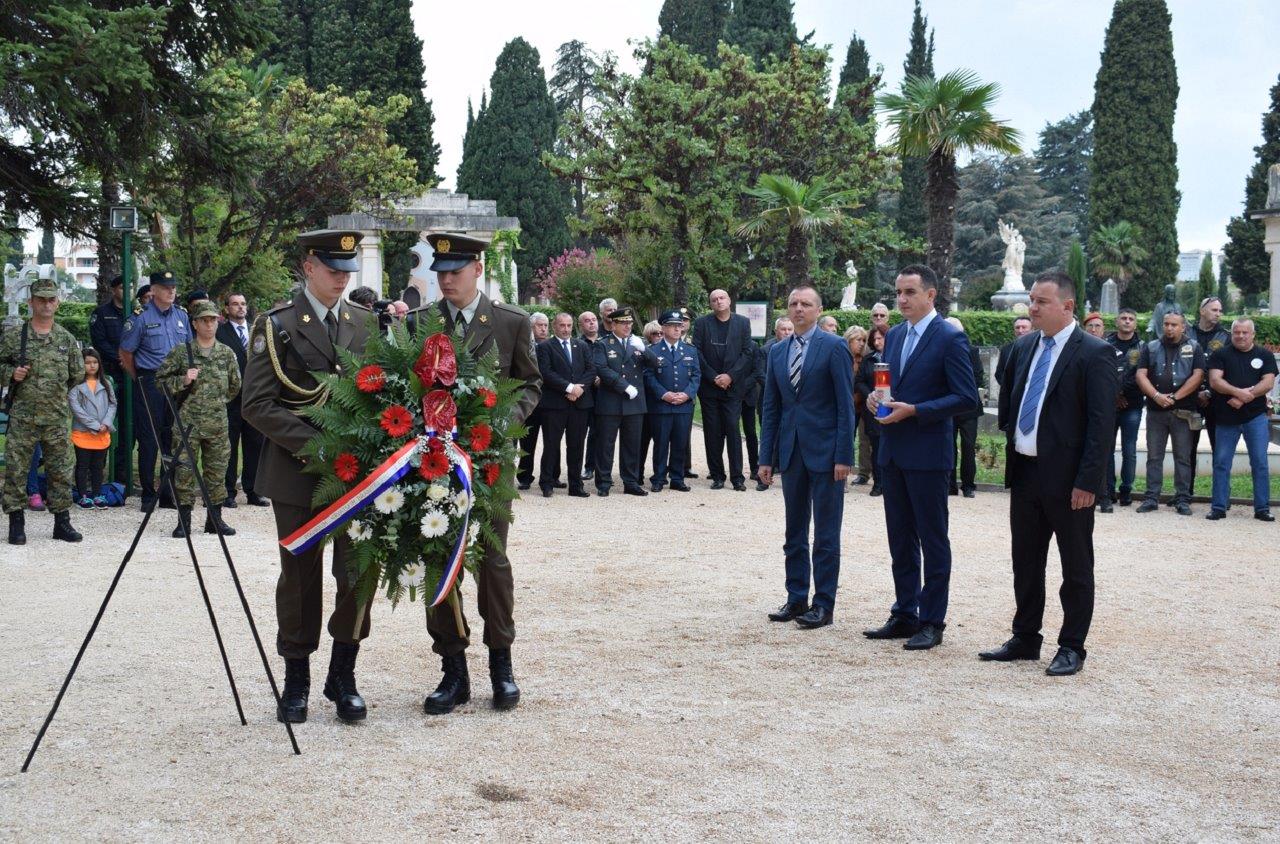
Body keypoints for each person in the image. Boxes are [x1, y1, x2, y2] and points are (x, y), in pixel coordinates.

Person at [242, 230, 376, 724]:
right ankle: (296, 676)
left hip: (357, 476)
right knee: (299, 576)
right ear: (308, 266)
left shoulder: (364, 322)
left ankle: (343, 674)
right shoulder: (275, 325)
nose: (342, 276)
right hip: (299, 472)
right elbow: (256, 404)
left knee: (357, 572)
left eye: (347, 268)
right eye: (333, 266)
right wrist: (318, 446)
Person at [408, 232, 541, 716]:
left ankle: (501, 664)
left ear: (478, 270)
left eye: (455, 272)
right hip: (435, 464)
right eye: (440, 273)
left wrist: (504, 421)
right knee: (440, 558)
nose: (446, 280)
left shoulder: (509, 323)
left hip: (489, 463)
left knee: (493, 561)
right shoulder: (422, 324)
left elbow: (529, 382)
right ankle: (452, 668)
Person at [981, 271, 1117, 677]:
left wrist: (1088, 483)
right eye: (1031, 300)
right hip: (1026, 473)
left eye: (1041, 301)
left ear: (1068, 306)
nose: (1032, 308)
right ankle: (1025, 637)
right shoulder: (1023, 347)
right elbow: (1012, 397)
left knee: (1075, 565)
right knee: (1025, 560)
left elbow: (1101, 425)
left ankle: (1072, 645)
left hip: (1069, 480)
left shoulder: (1094, 353)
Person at [864, 265, 978, 650]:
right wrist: (876, 399)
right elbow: (890, 383)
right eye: (898, 292)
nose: (901, 299)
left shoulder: (949, 337)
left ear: (931, 295)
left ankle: (932, 620)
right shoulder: (893, 335)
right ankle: (904, 612)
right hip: (893, 451)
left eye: (910, 292)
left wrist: (915, 409)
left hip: (929, 454)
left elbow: (967, 398)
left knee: (932, 539)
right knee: (900, 539)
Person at [758, 284, 856, 629]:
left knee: (826, 534)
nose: (798, 309)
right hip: (791, 451)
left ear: (818, 309)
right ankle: (796, 597)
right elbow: (771, 407)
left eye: (806, 304)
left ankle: (823, 604)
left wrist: (845, 454)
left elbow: (846, 406)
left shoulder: (835, 347)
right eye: (793, 304)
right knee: (794, 531)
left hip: (828, 454)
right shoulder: (777, 351)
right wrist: (765, 457)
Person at [1, 277, 85, 545]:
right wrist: (10, 373)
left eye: (51, 299)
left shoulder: (66, 339)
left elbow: (76, 374)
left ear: (57, 303)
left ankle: (62, 522)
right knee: (16, 469)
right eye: (41, 299)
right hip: (24, 415)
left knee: (61, 470)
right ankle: (16, 523)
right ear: (31, 302)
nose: (46, 304)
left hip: (56, 417)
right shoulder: (16, 337)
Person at [158, 300, 241, 538]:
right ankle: (183, 521)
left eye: (213, 319)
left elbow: (235, 385)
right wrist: (182, 381)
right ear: (194, 323)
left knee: (217, 471)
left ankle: (214, 520)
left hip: (217, 423)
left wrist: (217, 403)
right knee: (183, 470)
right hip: (187, 424)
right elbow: (159, 381)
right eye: (204, 320)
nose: (209, 324)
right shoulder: (181, 353)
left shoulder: (226, 354)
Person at [119, 270, 189, 510]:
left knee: (173, 436)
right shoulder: (139, 317)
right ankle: (148, 493)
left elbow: (189, 349)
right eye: (165, 287)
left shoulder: (182, 316)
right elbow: (126, 352)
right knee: (149, 438)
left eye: (173, 287)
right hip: (151, 382)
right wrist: (138, 377)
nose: (171, 291)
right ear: (154, 290)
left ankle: (167, 491)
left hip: (178, 383)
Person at [1135, 313, 1205, 516]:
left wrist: (1174, 397)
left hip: (1183, 412)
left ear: (1183, 327)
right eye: (1166, 324)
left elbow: (1198, 375)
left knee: (1182, 457)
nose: (1169, 328)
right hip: (1156, 412)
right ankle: (1151, 498)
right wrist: (1156, 395)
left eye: (1174, 324)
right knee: (1153, 457)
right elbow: (1141, 374)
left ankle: (1182, 499)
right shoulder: (1151, 347)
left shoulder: (1194, 347)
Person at [1206, 318, 1276, 522]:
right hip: (1226, 418)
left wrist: (1246, 397)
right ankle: (1218, 507)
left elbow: (1268, 382)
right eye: (1237, 332)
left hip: (1255, 417)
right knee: (1221, 463)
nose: (1240, 336)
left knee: (1260, 463)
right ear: (1232, 333)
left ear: (1253, 334)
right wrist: (1239, 393)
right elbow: (1215, 381)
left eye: (1245, 332)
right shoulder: (1220, 354)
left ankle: (1262, 508)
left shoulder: (1264, 355)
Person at [693, 289, 756, 491]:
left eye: (722, 298)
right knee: (712, 432)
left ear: (729, 300)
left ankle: (737, 477)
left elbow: (747, 353)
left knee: (733, 430)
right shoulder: (702, 323)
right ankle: (718, 476)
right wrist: (713, 377)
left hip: (733, 387)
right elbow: (697, 352)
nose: (718, 301)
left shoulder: (743, 323)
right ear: (710, 304)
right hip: (710, 388)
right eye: (714, 299)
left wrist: (730, 376)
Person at [592, 307, 658, 497]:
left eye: (629, 323)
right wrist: (624, 386)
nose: (628, 326)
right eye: (623, 323)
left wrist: (644, 349)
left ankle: (630, 481)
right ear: (614, 324)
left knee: (632, 445)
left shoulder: (638, 343)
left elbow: (656, 364)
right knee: (606, 445)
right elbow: (601, 368)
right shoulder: (603, 344)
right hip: (611, 400)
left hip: (634, 404)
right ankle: (603, 482)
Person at [216, 291, 267, 508]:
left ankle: (254, 491)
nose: (240, 308)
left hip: (254, 397)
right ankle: (228, 492)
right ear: (227, 308)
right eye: (235, 304)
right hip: (230, 398)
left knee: (255, 445)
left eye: (243, 304)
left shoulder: (258, 331)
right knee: (229, 445)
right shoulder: (220, 332)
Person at [536, 313, 594, 498]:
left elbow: (591, 369)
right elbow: (545, 372)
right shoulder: (545, 347)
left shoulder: (582, 345)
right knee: (551, 445)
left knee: (576, 446)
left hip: (579, 404)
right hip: (554, 404)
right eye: (562, 325)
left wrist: (579, 390)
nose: (566, 329)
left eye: (569, 325)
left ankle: (576, 485)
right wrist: (568, 387)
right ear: (555, 326)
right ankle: (547, 483)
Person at [644, 309, 701, 492]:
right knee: (660, 442)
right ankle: (659, 478)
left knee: (680, 442)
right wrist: (663, 394)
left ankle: (677, 478)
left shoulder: (690, 350)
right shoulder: (653, 350)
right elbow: (648, 376)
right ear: (663, 327)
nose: (678, 329)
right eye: (673, 326)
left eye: (680, 325)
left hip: (683, 405)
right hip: (661, 405)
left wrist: (687, 394)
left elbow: (696, 376)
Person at [1100, 308, 1144, 511]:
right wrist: (1115, 395)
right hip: (1109, 405)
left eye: (1131, 319)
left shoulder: (1144, 347)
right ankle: (1108, 490)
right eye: (1123, 318)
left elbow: (1142, 375)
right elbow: (1102, 373)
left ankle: (1126, 488)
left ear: (1135, 324)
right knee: (1107, 449)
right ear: (1117, 322)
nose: (1127, 322)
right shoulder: (1105, 345)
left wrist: (1122, 394)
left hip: (1132, 405)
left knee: (1129, 450)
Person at [89, 274, 129, 490]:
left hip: (131, 376)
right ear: (114, 290)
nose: (126, 291)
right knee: (102, 423)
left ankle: (122, 474)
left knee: (127, 427)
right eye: (123, 288)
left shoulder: (136, 313)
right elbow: (99, 342)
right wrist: (119, 357)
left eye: (129, 287)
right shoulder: (102, 314)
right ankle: (95, 473)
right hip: (109, 377)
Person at [1190, 297, 1230, 493]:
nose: (1218, 313)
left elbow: (1230, 370)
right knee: (1187, 449)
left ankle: (1221, 495)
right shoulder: (1186, 333)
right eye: (1214, 309)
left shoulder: (1226, 336)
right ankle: (1185, 493)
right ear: (1202, 311)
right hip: (1189, 400)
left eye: (1220, 310)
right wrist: (1194, 391)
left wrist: (1209, 391)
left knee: (1219, 449)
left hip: (1216, 401)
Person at [69, 348, 117, 508]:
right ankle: (83, 495)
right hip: (83, 432)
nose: (92, 366)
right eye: (88, 362)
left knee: (98, 465)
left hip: (102, 432)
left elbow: (112, 404)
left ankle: (97, 494)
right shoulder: (76, 386)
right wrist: (96, 425)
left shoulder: (106, 383)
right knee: (82, 465)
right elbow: (76, 409)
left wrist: (106, 423)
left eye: (95, 362)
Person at [946, 316, 986, 498]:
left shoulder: (972, 351)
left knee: (968, 446)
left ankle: (968, 485)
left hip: (969, 407)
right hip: (948, 406)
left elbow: (978, 377)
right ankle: (950, 484)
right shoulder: (942, 350)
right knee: (949, 446)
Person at [516, 312, 552, 491]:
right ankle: (524, 476)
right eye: (540, 325)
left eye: (546, 325)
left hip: (548, 401)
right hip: (527, 402)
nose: (544, 329)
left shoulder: (552, 346)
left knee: (552, 441)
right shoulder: (522, 344)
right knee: (526, 443)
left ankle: (552, 475)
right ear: (531, 327)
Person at [854, 324, 889, 496]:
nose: (876, 342)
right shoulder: (868, 360)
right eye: (873, 339)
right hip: (873, 408)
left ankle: (892, 482)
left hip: (893, 406)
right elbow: (859, 381)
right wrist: (871, 395)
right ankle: (878, 483)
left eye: (880, 338)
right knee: (875, 445)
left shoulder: (896, 356)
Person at [843, 325, 871, 486]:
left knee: (864, 440)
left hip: (863, 405)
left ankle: (863, 473)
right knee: (846, 440)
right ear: (849, 340)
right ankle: (843, 476)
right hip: (847, 406)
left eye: (864, 340)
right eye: (858, 340)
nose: (861, 343)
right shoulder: (842, 357)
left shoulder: (866, 359)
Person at [577, 310, 602, 483]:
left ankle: (596, 468)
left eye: (594, 320)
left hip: (603, 395)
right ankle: (580, 469)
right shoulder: (577, 344)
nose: (592, 323)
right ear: (581, 325)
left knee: (599, 434)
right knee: (579, 435)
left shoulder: (605, 342)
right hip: (583, 395)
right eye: (587, 321)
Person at [995, 316, 1033, 388]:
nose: (1020, 331)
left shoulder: (1039, 348)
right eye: (1017, 327)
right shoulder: (1006, 349)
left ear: (1032, 329)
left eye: (1024, 327)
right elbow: (999, 373)